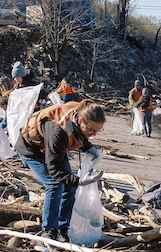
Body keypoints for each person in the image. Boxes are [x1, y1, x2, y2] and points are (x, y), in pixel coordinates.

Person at [13, 100, 106, 240]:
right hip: (31, 150)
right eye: (91, 130)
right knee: (55, 185)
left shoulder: (81, 112)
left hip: (53, 150)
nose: (94, 134)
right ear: (80, 120)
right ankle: (49, 229)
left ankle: (63, 227)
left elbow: (80, 135)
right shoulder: (58, 131)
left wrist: (89, 148)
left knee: (70, 186)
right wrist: (79, 181)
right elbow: (54, 170)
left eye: (97, 131)